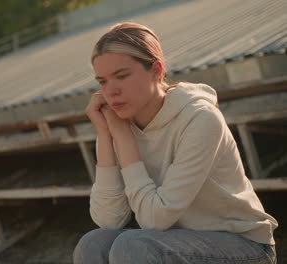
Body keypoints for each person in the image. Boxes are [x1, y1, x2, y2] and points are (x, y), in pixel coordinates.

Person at [73, 22, 278, 263]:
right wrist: (106, 136)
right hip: (173, 242)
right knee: (94, 243)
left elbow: (154, 220)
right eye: (102, 82)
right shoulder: (117, 123)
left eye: (121, 76)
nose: (111, 91)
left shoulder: (200, 119)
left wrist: (124, 139)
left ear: (156, 70)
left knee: (134, 246)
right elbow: (108, 220)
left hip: (244, 247)